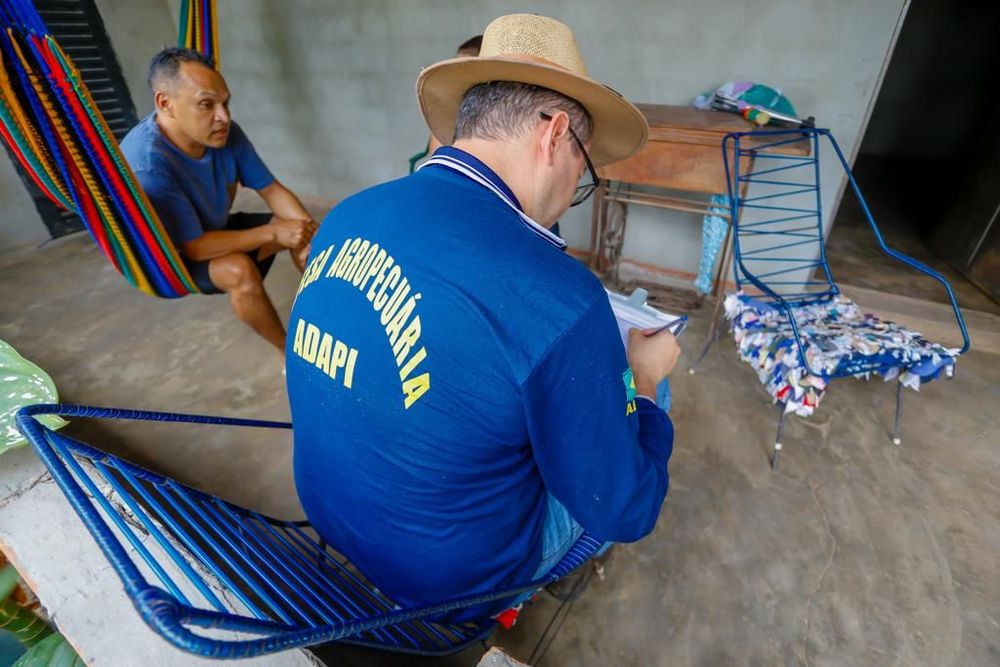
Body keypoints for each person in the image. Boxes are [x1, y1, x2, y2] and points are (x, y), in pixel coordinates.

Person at [287, 14, 679, 619]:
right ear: (553, 135)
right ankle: (532, 582)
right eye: (585, 166)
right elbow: (627, 510)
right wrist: (645, 382)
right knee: (651, 385)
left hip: (330, 513)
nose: (578, 183)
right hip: (451, 583)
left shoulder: (348, 212)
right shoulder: (561, 297)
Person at [121, 47, 317, 355]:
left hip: (217, 229)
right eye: (206, 104)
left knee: (302, 231)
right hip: (175, 258)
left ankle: (328, 320)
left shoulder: (225, 134)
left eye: (225, 103)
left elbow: (272, 190)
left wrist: (309, 236)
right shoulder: (147, 165)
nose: (223, 117)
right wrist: (274, 233)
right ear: (165, 103)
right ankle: (290, 356)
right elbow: (194, 247)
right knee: (239, 270)